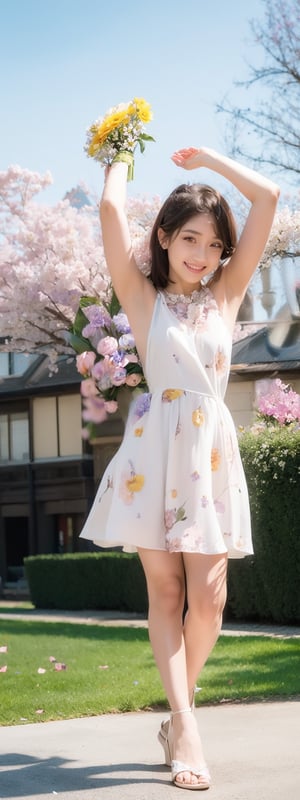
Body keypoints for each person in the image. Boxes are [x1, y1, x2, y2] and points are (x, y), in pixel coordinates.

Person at [80, 146, 279, 790]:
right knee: (167, 593)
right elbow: (111, 208)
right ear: (164, 238)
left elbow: (269, 199)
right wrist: (118, 147)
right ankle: (186, 724)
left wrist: (214, 164)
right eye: (188, 237)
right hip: (153, 456)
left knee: (212, 601)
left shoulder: (226, 295)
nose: (201, 253)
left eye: (214, 243)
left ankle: (177, 711)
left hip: (210, 455)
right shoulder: (143, 297)